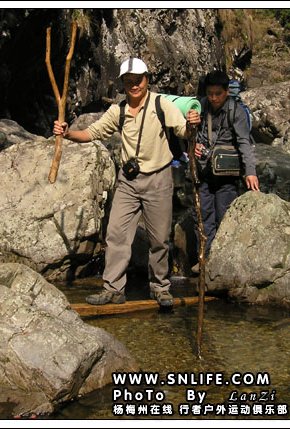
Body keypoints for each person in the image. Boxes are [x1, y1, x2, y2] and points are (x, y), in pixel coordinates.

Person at [53, 58, 200, 307]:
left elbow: (183, 132)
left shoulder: (162, 105)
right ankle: (113, 289)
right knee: (116, 234)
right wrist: (67, 133)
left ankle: (160, 288)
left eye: (138, 80)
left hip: (159, 178)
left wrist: (192, 126)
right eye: (129, 81)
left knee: (159, 239)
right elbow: (92, 133)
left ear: (147, 79)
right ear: (123, 83)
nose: (134, 85)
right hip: (129, 181)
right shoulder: (117, 110)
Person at [191, 71, 259, 274]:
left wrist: (250, 172)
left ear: (227, 92)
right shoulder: (200, 107)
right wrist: (192, 144)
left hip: (227, 177)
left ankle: (222, 265)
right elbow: (186, 132)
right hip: (203, 173)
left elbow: (244, 143)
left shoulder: (236, 112)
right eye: (210, 93)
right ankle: (205, 262)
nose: (213, 98)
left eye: (218, 94)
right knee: (203, 219)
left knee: (224, 218)